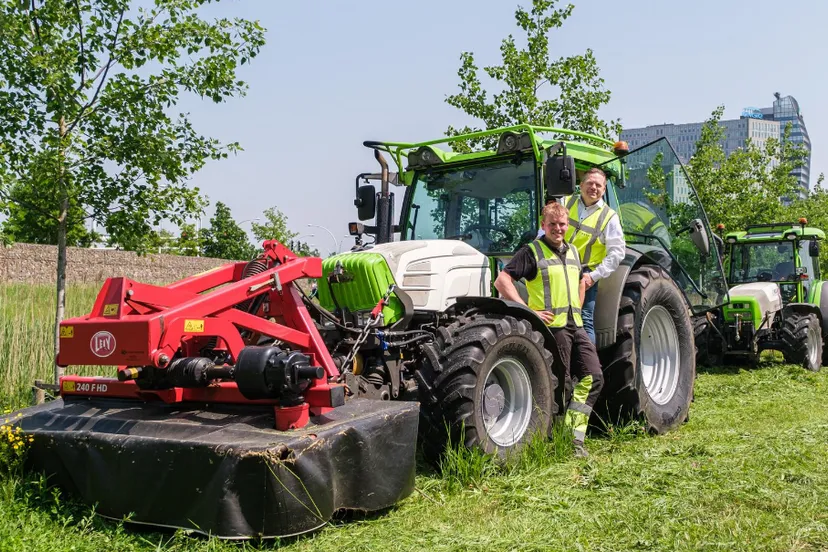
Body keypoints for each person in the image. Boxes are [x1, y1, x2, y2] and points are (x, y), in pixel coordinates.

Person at [495, 201, 604, 458]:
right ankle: (560, 442)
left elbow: (580, 281)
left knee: (593, 377)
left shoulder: (574, 251)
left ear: (567, 225)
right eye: (552, 224)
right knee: (562, 384)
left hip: (575, 325)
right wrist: (528, 311)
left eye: (562, 224)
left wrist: (577, 304)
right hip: (553, 329)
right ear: (543, 226)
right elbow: (502, 280)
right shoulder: (532, 251)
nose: (558, 229)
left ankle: (573, 435)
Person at [561, 167, 625, 344]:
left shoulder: (609, 217)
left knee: (584, 321)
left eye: (598, 185)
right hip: (559, 268)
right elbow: (546, 229)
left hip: (584, 274)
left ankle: (589, 369)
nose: (593, 188)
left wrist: (593, 277)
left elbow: (617, 253)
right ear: (580, 185)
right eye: (590, 183)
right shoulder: (565, 202)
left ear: (604, 189)